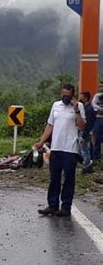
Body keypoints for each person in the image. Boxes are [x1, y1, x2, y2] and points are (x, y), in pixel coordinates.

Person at [35, 83, 86, 217]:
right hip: (56, 147)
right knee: (54, 177)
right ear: (60, 94)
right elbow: (50, 125)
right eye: (63, 95)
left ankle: (66, 207)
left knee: (69, 178)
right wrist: (41, 141)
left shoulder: (78, 107)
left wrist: (76, 110)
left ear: (72, 95)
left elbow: (82, 127)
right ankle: (52, 205)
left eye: (68, 95)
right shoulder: (56, 106)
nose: (65, 97)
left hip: (70, 148)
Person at [78, 91, 96, 174]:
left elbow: (88, 124)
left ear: (85, 97)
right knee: (83, 149)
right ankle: (87, 165)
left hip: (85, 132)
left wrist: (84, 135)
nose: (80, 98)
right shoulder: (86, 108)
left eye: (81, 96)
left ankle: (87, 166)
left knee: (84, 150)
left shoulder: (88, 109)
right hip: (85, 131)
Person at [91, 82, 103, 161]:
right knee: (97, 137)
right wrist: (100, 109)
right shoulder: (97, 96)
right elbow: (93, 104)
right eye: (100, 86)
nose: (101, 88)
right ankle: (96, 157)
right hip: (98, 118)